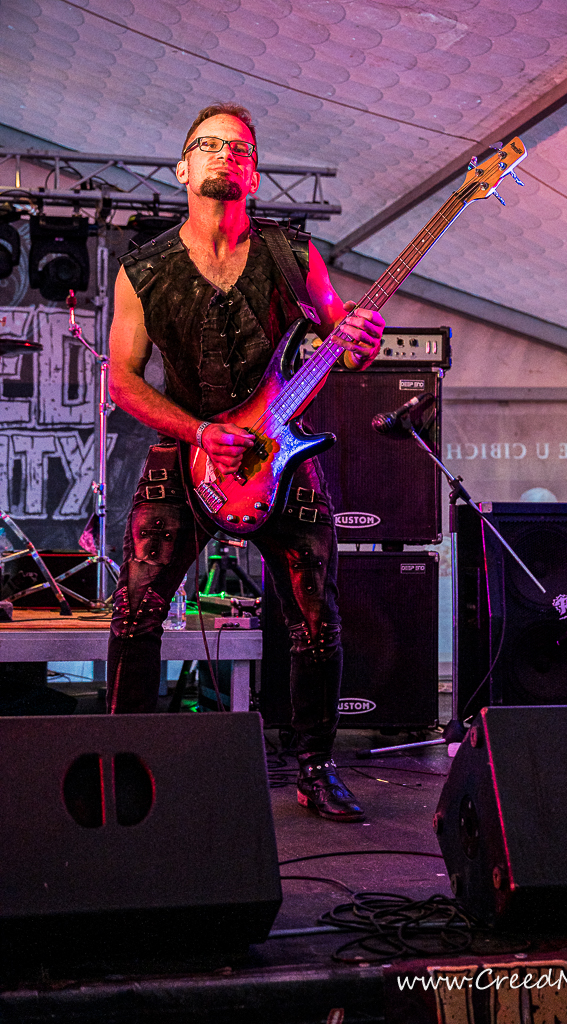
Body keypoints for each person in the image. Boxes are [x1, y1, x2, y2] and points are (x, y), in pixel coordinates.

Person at [107, 102, 384, 823]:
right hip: (186, 449)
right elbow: (122, 381)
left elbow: (342, 338)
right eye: (208, 145)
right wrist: (200, 432)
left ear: (255, 175)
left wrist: (359, 340)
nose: (224, 155)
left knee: (316, 619)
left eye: (239, 149)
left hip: (281, 451)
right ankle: (119, 766)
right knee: (135, 612)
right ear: (182, 168)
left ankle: (315, 768)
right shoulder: (143, 270)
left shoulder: (293, 256)